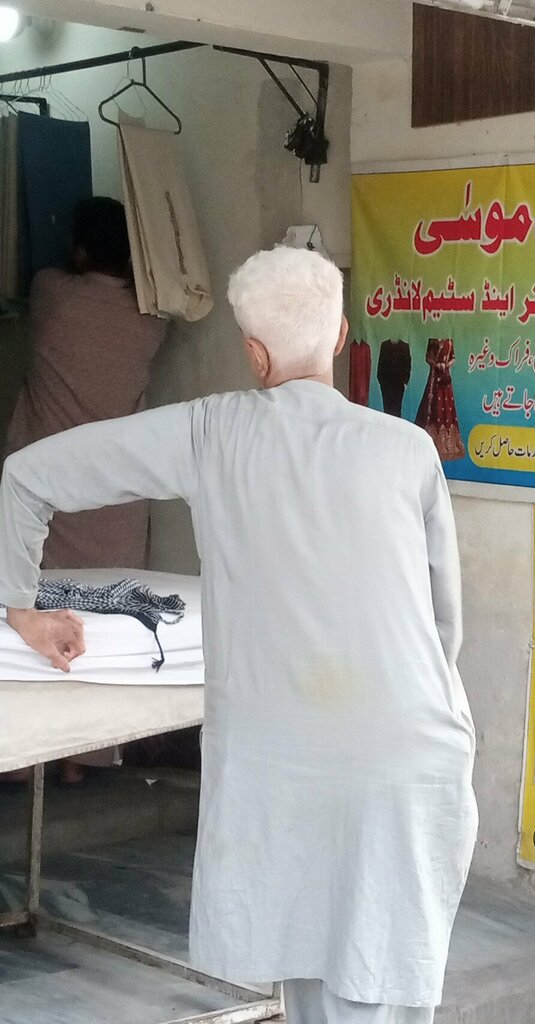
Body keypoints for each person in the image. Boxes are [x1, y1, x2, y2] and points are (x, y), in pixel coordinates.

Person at [0, 246, 478, 1024]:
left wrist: (21, 605)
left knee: (308, 963)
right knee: (378, 973)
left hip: (284, 761)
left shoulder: (210, 433)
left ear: (254, 355)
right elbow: (442, 624)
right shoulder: (407, 450)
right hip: (408, 752)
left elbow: (28, 475)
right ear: (343, 337)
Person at [4, 195, 166, 570]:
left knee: (44, 607)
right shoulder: (151, 321)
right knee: (116, 608)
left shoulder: (51, 293)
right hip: (118, 502)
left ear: (79, 252)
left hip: (50, 491)